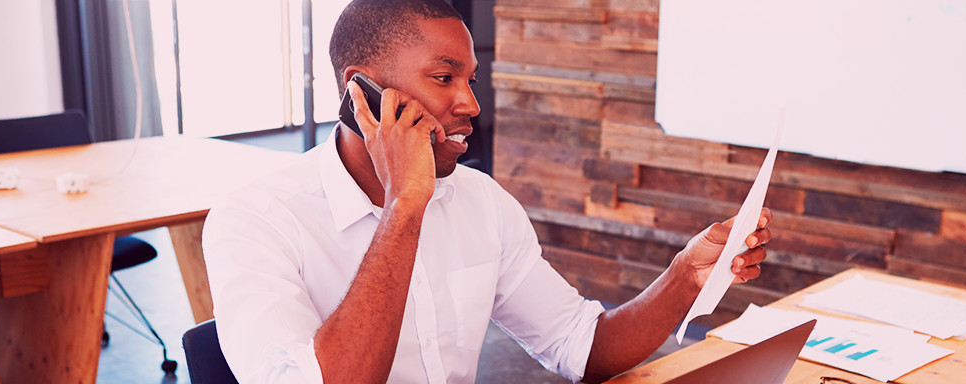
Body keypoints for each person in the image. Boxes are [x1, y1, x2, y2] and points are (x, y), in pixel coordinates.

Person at [201, 0, 772, 383]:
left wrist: (684, 275)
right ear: (363, 94)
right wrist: (404, 207)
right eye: (444, 78)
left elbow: (582, 346)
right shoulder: (252, 222)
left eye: (470, 80)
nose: (471, 103)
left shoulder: (482, 203)